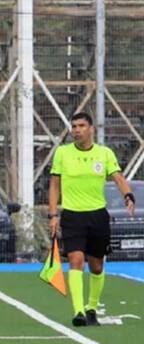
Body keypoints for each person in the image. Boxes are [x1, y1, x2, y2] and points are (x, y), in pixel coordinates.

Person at [48, 112, 136, 326]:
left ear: (91, 129)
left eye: (81, 126)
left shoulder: (104, 153)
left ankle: (91, 309)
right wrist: (53, 214)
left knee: (96, 266)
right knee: (76, 259)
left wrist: (128, 195)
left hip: (97, 216)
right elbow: (55, 185)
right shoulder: (63, 153)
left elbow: (117, 176)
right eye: (74, 126)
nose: (76, 130)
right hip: (72, 215)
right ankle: (78, 311)